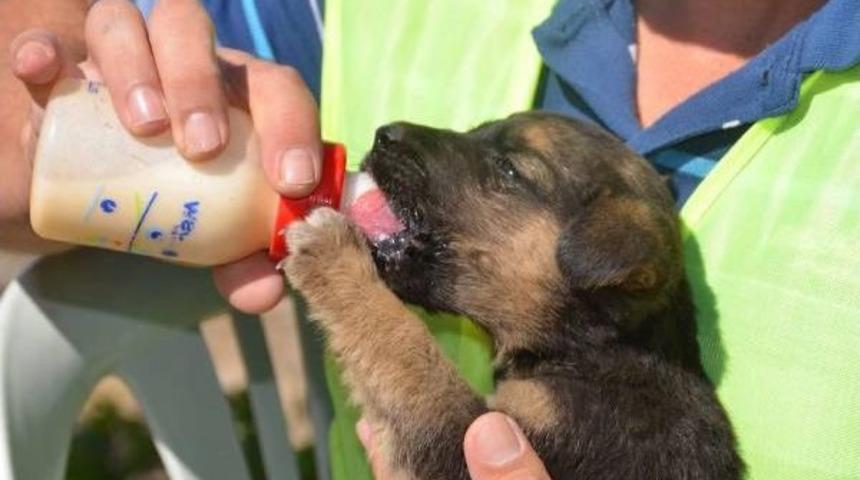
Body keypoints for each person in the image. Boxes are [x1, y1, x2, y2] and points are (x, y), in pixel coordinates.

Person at [3, 0, 859, 479]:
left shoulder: (621, 413)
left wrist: (345, 281)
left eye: (504, 174)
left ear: (614, 269)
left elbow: (444, 444)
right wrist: (66, 92)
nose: (403, 137)